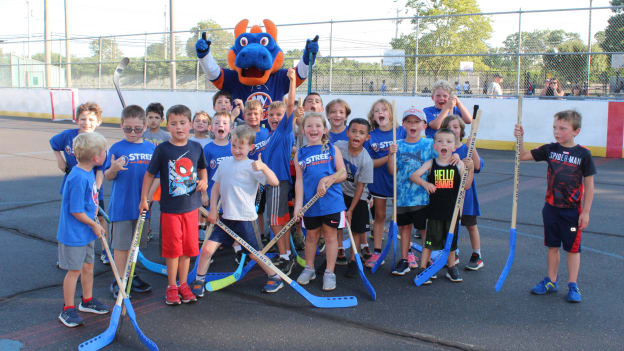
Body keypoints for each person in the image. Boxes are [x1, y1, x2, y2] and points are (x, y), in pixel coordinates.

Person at [514, 110, 595, 303]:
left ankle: (573, 285)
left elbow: (589, 184)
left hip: (572, 211)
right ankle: (551, 280)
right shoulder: (550, 149)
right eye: (555, 128)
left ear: (576, 131)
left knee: (573, 249)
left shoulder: (583, 154)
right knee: (552, 245)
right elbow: (523, 156)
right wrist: (520, 138)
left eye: (563, 128)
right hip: (551, 208)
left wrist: (586, 211)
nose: (557, 132)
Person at [193, 125, 282, 296]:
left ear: (251, 147)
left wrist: (264, 168)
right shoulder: (225, 163)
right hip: (226, 218)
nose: (237, 150)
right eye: (234, 145)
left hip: (246, 219)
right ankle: (199, 280)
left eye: (241, 147)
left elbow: (275, 182)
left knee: (255, 254)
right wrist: (212, 210)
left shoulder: (253, 166)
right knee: (206, 250)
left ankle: (274, 277)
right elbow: (216, 188)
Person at [139, 104, 208, 305]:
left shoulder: (196, 148)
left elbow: (202, 169)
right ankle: (171, 285)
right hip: (170, 210)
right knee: (173, 250)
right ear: (167, 125)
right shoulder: (162, 149)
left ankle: (183, 284)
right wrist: (145, 198)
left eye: (183, 123)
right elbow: (150, 175)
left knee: (187, 250)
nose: (179, 127)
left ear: (190, 125)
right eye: (174, 123)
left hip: (191, 208)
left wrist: (203, 182)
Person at [56, 132, 109, 327]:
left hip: (85, 232)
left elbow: (88, 204)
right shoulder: (78, 178)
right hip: (74, 235)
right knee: (74, 271)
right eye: (104, 151)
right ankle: (67, 309)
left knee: (88, 267)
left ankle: (87, 300)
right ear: (96, 158)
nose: (106, 153)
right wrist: (95, 224)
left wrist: (94, 215)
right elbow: (76, 211)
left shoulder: (88, 173)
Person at [104, 105, 155, 298]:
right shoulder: (117, 148)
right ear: (121, 125)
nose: (132, 133)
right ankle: (119, 280)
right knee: (121, 246)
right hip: (122, 206)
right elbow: (108, 176)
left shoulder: (151, 148)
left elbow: (156, 176)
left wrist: (148, 198)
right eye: (128, 129)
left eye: (137, 129)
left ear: (145, 127)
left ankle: (130, 276)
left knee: (135, 245)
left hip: (142, 206)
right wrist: (114, 168)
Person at [411, 129, 474, 284]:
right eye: (440, 141)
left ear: (454, 147)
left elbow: (466, 186)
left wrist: (470, 168)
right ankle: (423, 268)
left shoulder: (458, 165)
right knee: (430, 243)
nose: (444, 144)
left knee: (450, 244)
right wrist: (425, 184)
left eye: (448, 141)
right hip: (434, 212)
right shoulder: (431, 163)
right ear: (435, 146)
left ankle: (451, 267)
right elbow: (414, 176)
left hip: (453, 213)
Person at [294, 112, 347, 291]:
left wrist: (327, 180)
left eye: (318, 126)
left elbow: (343, 173)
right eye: (309, 126)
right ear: (303, 130)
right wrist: (298, 206)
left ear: (325, 129)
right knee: (311, 237)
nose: (314, 129)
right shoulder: (300, 153)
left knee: (331, 236)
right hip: (310, 204)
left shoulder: (332, 149)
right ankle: (309, 268)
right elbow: (299, 181)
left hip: (332, 203)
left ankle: (329, 272)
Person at [49, 102, 107, 265]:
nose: (86, 123)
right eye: (83, 119)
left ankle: (105, 250)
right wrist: (59, 159)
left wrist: (95, 191)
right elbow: (53, 143)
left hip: (93, 187)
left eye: (90, 119)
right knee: (71, 216)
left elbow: (101, 171)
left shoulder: (99, 143)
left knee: (98, 219)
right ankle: (67, 255)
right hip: (75, 184)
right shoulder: (68, 136)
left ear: (98, 122)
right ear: (76, 120)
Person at [387, 108, 434, 275]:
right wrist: (391, 156)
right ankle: (405, 259)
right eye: (409, 121)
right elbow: (392, 171)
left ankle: (426, 261)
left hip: (421, 197)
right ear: (404, 124)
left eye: (417, 121)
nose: (413, 124)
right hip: (401, 197)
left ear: (424, 125)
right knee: (404, 229)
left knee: (423, 230)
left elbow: (439, 162)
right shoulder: (398, 145)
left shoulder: (429, 144)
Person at [262, 67, 298, 274]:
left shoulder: (284, 130)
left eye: (279, 114)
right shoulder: (270, 136)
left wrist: (292, 81)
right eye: (272, 114)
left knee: (275, 221)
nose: (275, 117)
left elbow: (290, 103)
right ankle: (286, 254)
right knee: (281, 220)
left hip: (279, 182)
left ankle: (284, 256)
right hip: (272, 183)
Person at [364, 99, 406, 268]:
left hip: (398, 182)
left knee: (402, 218)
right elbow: (370, 163)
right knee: (379, 216)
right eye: (376, 111)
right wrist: (388, 155)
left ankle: (407, 251)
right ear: (373, 117)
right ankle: (377, 251)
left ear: (391, 113)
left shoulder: (401, 132)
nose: (380, 112)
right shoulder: (371, 136)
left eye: (384, 109)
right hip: (379, 182)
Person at [441, 115, 485, 271]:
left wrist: (472, 151)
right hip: (449, 194)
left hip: (466, 195)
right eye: (450, 127)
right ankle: (454, 252)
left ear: (461, 130)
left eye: (456, 127)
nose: (453, 130)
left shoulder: (468, 148)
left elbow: (478, 166)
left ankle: (476, 255)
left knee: (471, 225)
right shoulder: (444, 149)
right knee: (452, 226)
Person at [334, 118, 374, 274]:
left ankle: (353, 260)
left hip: (358, 197)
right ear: (347, 133)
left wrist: (350, 210)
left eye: (362, 133)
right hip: (339, 192)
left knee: (356, 230)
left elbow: (360, 188)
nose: (357, 135)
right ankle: (336, 252)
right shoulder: (338, 147)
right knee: (335, 225)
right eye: (354, 131)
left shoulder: (366, 161)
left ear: (367, 137)